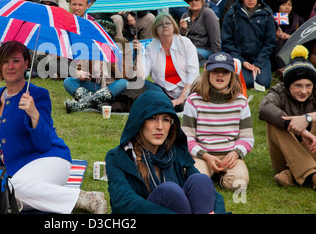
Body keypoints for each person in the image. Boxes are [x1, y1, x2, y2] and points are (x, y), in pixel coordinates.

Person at [0, 41, 107, 213]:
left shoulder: (38, 95)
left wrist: (34, 114)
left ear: (26, 64)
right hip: (17, 173)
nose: (10, 66)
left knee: (10, 188)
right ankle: (15, 203)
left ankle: (84, 198)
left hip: (49, 160)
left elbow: (44, 144)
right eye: (5, 61)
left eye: (16, 60)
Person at [105, 90, 226, 214]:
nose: (160, 127)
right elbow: (123, 201)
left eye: (166, 119)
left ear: (171, 124)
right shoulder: (118, 157)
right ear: (139, 121)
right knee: (169, 191)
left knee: (201, 180)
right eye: (152, 118)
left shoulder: (175, 152)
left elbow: (213, 195)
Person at [182, 52, 254, 190]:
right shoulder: (193, 100)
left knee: (239, 183)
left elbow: (247, 138)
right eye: (215, 71)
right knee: (196, 181)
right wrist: (205, 156)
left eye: (225, 72)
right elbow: (187, 138)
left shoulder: (241, 101)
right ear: (207, 72)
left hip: (229, 155)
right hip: (202, 155)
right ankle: (209, 173)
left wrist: (236, 153)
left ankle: (221, 176)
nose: (220, 75)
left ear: (232, 75)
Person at [259, 45, 316, 189]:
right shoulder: (279, 92)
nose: (304, 91)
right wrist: (299, 129)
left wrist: (307, 118)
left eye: (308, 85)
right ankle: (312, 175)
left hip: (312, 152)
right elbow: (264, 107)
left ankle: (291, 174)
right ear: (288, 84)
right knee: (275, 121)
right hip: (283, 158)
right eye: (298, 85)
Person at [221, 0, 276, 89]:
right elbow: (227, 42)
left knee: (263, 83)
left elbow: (269, 42)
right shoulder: (231, 15)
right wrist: (242, 62)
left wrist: (258, 63)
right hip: (239, 58)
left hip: (260, 58)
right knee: (246, 82)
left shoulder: (267, 15)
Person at [143, 14, 199, 112]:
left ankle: (183, 102)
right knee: (141, 84)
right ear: (155, 29)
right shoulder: (151, 47)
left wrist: (182, 97)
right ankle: (169, 103)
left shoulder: (185, 43)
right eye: (160, 24)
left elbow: (193, 73)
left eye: (168, 23)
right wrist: (139, 54)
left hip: (188, 89)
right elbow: (142, 75)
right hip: (163, 92)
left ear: (174, 26)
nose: (165, 26)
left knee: (197, 93)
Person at [179, 0, 221, 64]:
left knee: (187, 55)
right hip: (188, 47)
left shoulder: (208, 13)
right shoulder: (185, 15)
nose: (193, 2)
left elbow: (215, 34)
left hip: (204, 48)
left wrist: (216, 55)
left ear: (202, 1)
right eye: (190, 0)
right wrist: (183, 30)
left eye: (197, 0)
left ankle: (204, 61)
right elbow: (182, 39)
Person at [270, 0, 306, 71]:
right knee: (279, 43)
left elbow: (303, 35)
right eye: (284, 4)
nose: (287, 7)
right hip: (274, 51)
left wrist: (289, 36)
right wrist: (275, 35)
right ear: (278, 6)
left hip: (292, 46)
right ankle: (283, 69)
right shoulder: (271, 18)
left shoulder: (297, 19)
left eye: (290, 5)